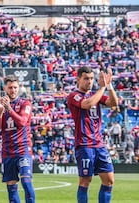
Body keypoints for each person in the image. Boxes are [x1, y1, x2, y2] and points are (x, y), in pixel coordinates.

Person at [67, 66, 118, 203]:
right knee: (85, 181)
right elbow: (88, 104)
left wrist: (109, 85)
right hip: (84, 144)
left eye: (91, 78)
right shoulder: (74, 96)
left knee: (109, 180)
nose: (89, 82)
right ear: (78, 79)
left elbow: (114, 103)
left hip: (99, 144)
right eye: (86, 79)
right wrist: (102, 88)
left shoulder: (96, 95)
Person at [0, 75, 35, 203]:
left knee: (26, 182)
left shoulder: (25, 103)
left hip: (23, 149)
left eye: (15, 87)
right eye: (10, 87)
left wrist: (9, 109)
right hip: (8, 151)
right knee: (11, 186)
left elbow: (22, 122)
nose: (13, 90)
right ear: (5, 88)